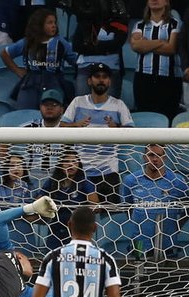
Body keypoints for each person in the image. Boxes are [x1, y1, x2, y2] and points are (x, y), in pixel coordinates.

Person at [60, 62, 135, 204]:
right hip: (80, 171)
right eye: (97, 76)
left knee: (110, 217)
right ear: (89, 80)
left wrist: (117, 128)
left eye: (105, 77)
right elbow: (62, 127)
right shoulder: (78, 102)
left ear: (109, 81)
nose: (101, 80)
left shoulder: (118, 105)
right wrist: (76, 124)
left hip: (108, 171)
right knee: (80, 215)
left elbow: (131, 133)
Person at [121, 143, 189, 259]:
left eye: (159, 155)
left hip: (168, 243)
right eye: (151, 155)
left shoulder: (177, 181)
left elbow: (188, 209)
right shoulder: (131, 180)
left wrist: (176, 227)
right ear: (144, 157)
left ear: (165, 157)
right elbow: (127, 208)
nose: (155, 159)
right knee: (138, 273)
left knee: (168, 275)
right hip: (139, 242)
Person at [1, 8, 78, 110]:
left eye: (55, 22)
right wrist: (17, 70)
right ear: (39, 25)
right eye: (50, 23)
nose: (54, 25)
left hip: (54, 81)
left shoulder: (61, 42)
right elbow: (4, 54)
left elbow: (75, 60)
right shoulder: (27, 42)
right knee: (25, 112)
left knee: (52, 112)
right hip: (30, 83)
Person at [129, 0, 182, 119]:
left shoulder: (175, 24)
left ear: (167, 3)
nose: (154, 0)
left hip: (169, 79)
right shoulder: (139, 25)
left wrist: (146, 44)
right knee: (145, 116)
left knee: (168, 117)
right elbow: (136, 46)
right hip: (143, 78)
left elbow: (171, 48)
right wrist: (160, 42)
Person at [40, 149, 98, 250]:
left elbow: (96, 206)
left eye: (74, 161)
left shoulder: (84, 182)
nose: (70, 164)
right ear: (60, 164)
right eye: (67, 161)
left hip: (77, 228)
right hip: (55, 227)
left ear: (79, 164)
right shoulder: (52, 182)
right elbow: (38, 201)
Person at [70, 0, 129, 98]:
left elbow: (117, 44)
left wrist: (90, 47)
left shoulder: (119, 21)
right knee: (82, 104)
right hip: (85, 68)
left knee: (109, 105)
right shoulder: (84, 22)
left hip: (111, 69)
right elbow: (76, 46)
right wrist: (105, 49)